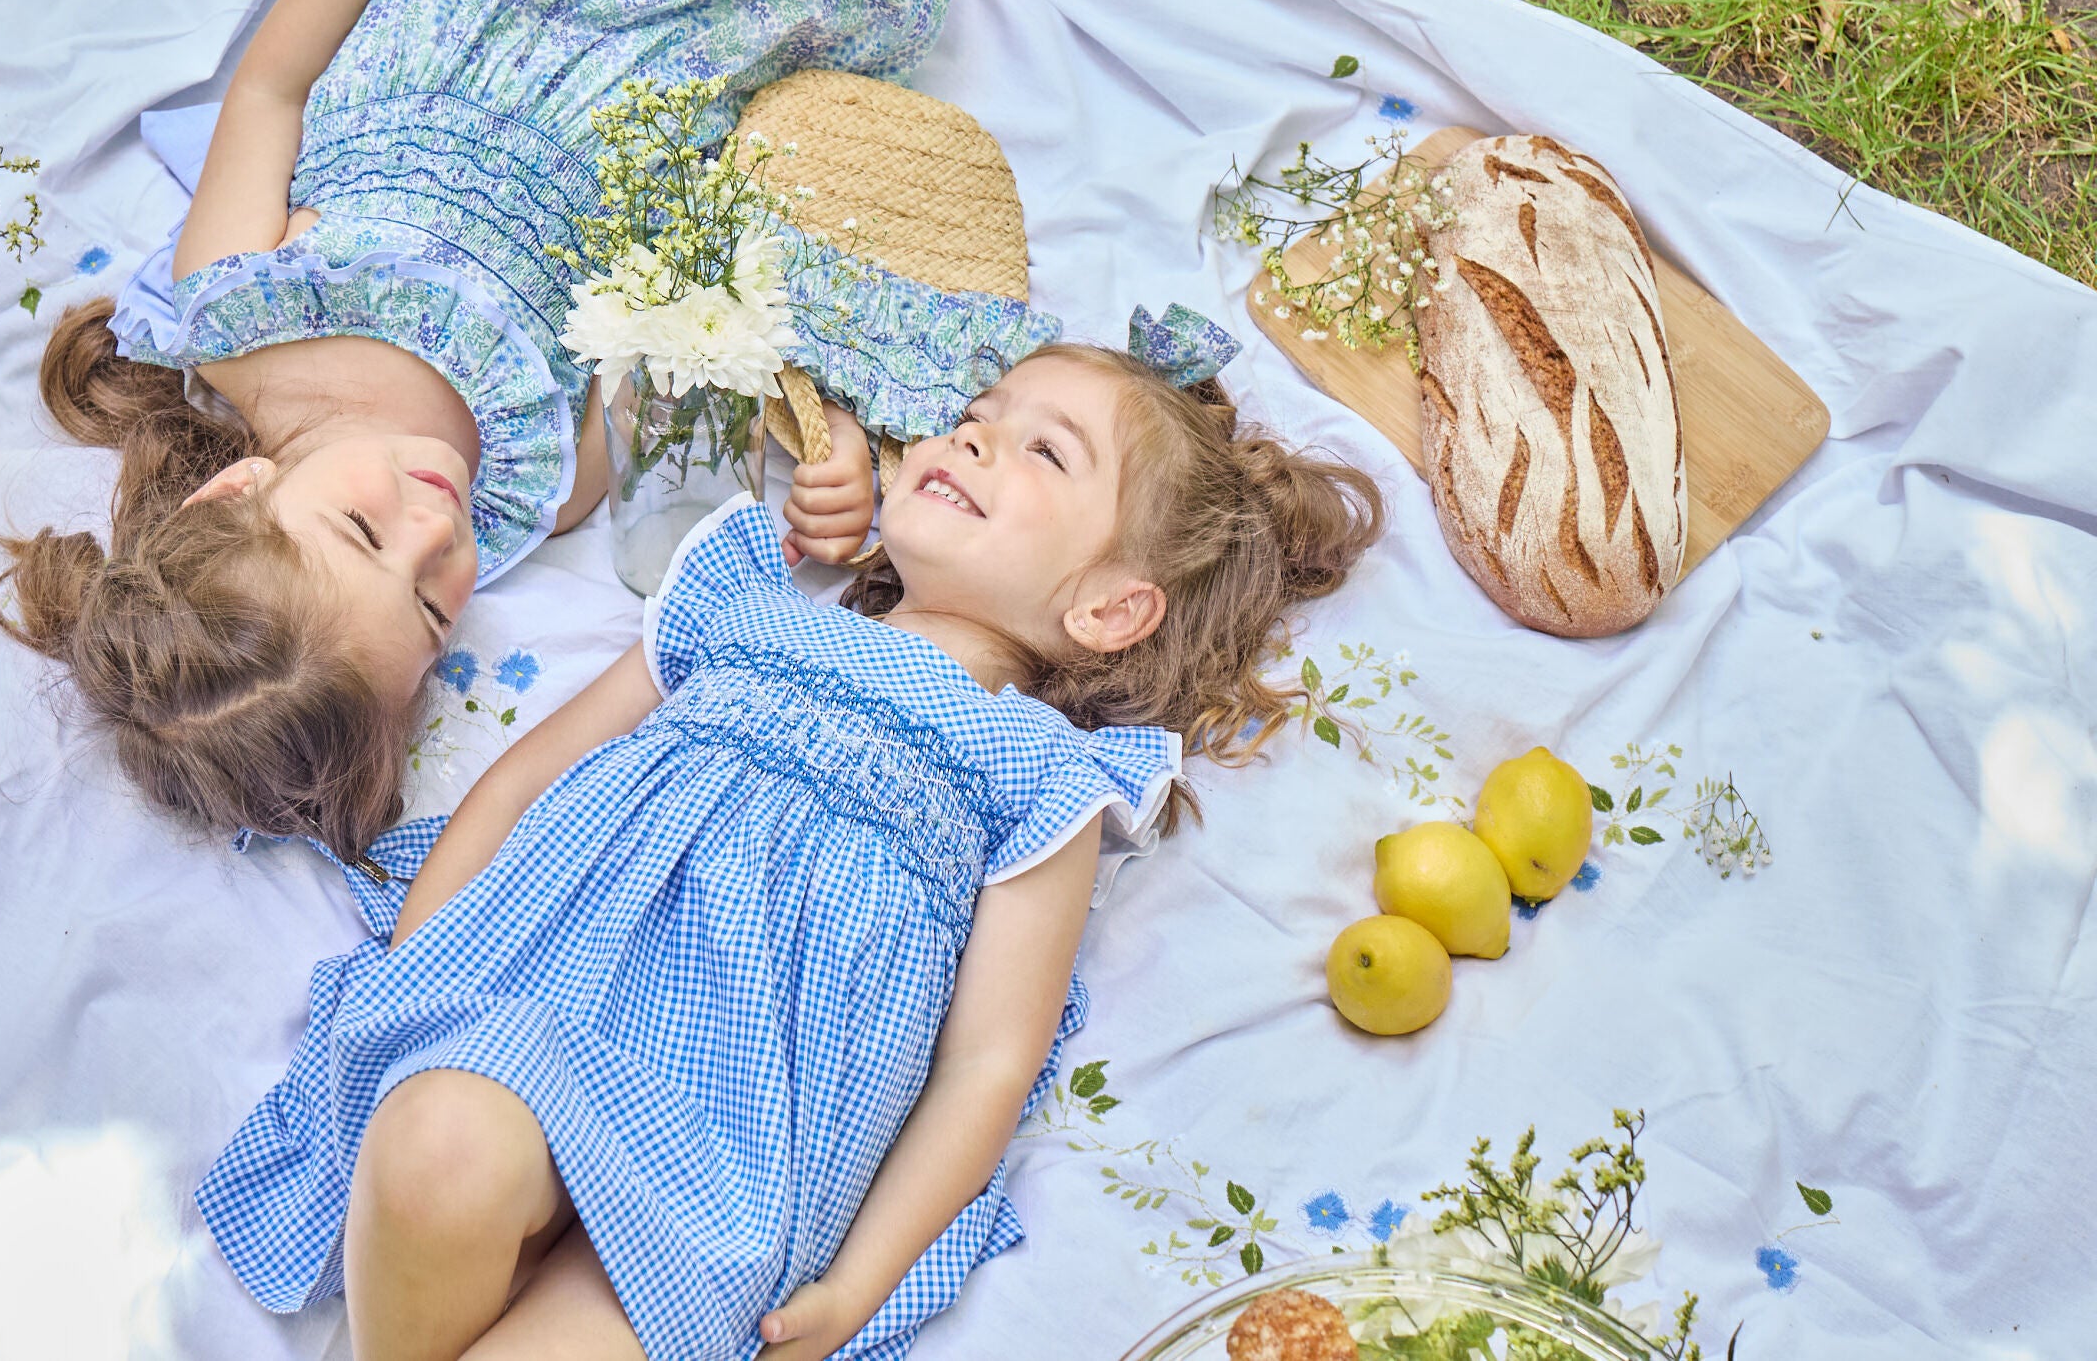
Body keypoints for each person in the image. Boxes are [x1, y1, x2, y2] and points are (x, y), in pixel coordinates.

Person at [0, 0, 1226, 864]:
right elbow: (686, 349)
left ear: (234, 492)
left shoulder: (243, 315)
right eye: (435, 602)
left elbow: (271, 83)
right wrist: (825, 446)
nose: (435, 530)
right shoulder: (534, 478)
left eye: (366, 533)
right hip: (668, 71)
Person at [195, 343, 1384, 1359]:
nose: (972, 440)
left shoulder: (1041, 777)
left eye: (1043, 452)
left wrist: (861, 1279)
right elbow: (526, 777)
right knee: (431, 1152)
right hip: (536, 1007)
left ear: (1109, 610)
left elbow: (988, 1065)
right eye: (977, 417)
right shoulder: (738, 602)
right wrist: (421, 962)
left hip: (732, 1147)